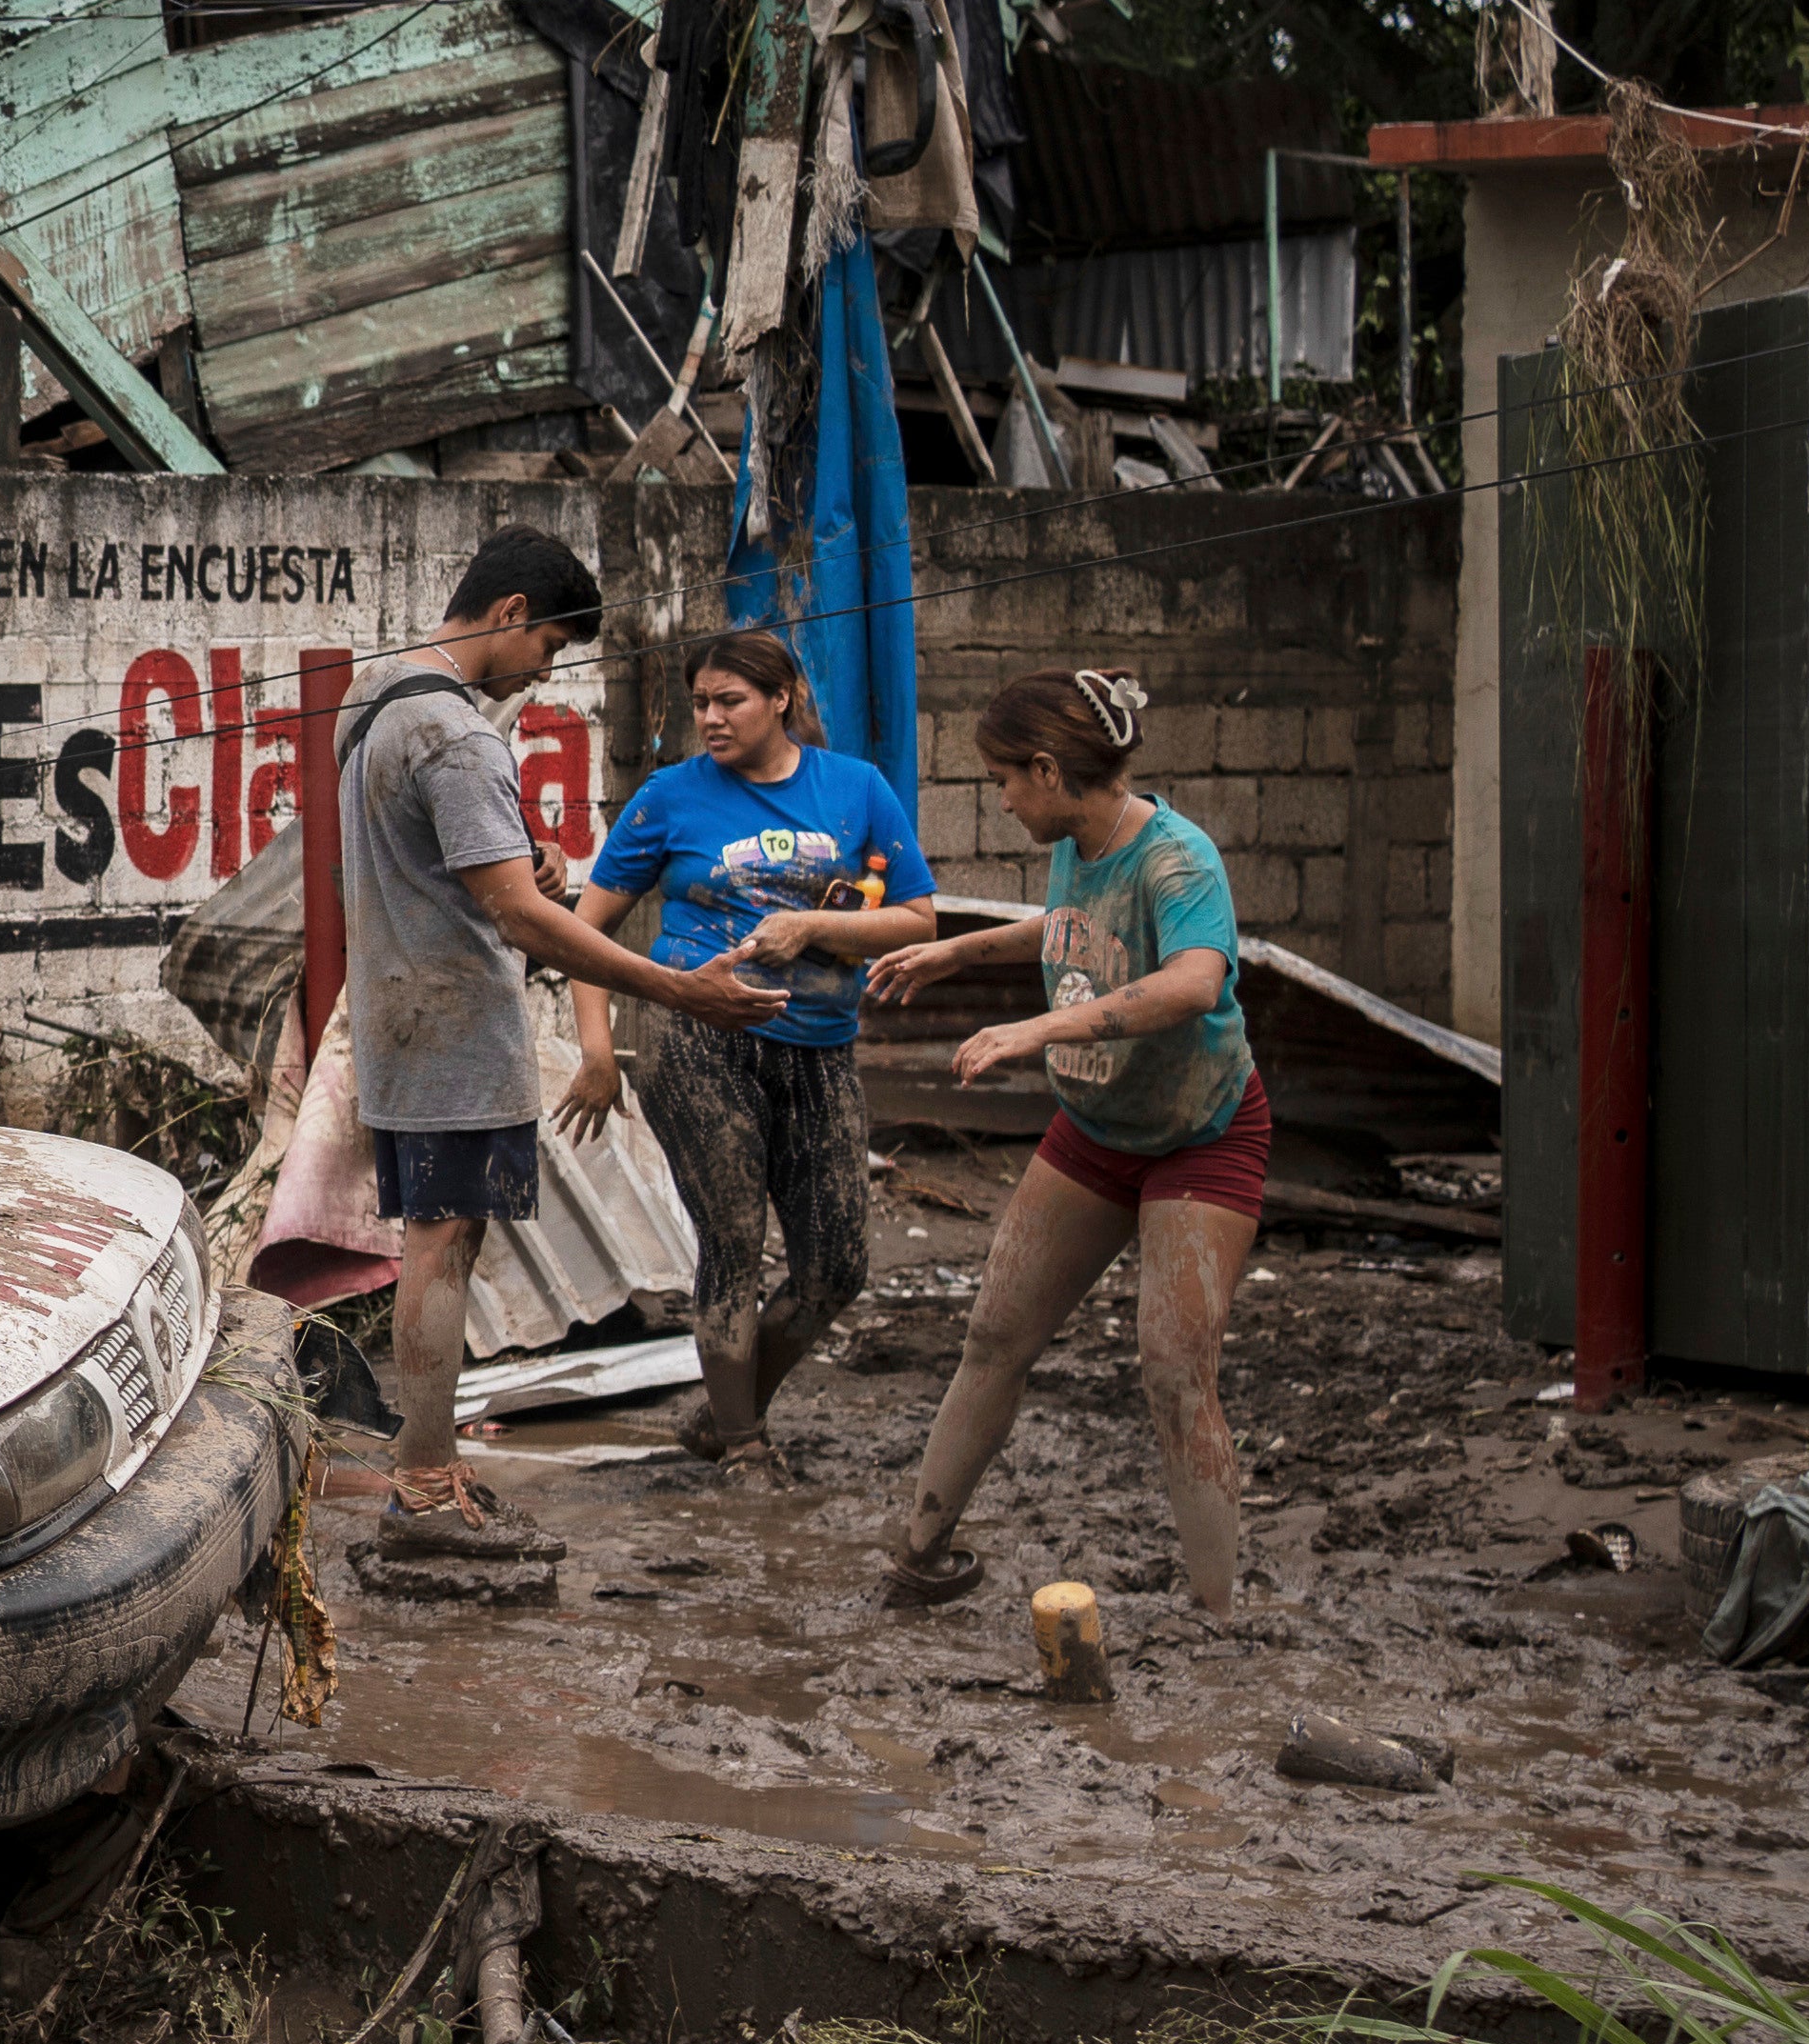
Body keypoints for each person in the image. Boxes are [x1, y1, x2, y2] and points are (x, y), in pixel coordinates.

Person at [328, 529, 782, 1542]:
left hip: (399, 1017)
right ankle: (426, 1486)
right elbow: (521, 918)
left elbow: (452, 870)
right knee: (444, 1245)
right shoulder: (458, 733)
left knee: (435, 1239)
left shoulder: (371, 699)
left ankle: (425, 1476)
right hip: (450, 1026)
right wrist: (674, 986)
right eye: (551, 649)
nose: (547, 672)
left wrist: (516, 877)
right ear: (511, 615)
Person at [858, 668, 1270, 1613]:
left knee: (1174, 1370)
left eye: (1005, 778)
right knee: (995, 1332)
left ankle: (1217, 1611)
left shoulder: (1179, 857)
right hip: (1096, 1128)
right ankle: (920, 1557)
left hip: (1200, 1137)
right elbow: (1078, 929)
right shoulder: (1082, 842)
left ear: (1048, 769)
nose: (1000, 798)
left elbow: (1193, 981)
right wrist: (964, 948)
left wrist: (1038, 1030)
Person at [569, 628, 935, 1493]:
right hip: (696, 1039)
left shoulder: (857, 790)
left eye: (729, 700)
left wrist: (816, 927)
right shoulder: (669, 798)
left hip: (819, 1048)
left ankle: (725, 1409)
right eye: (700, 702)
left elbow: (918, 920)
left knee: (837, 1266)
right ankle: (743, 1446)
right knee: (733, 1234)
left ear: (781, 698)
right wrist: (597, 1051)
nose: (711, 718)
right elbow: (585, 934)